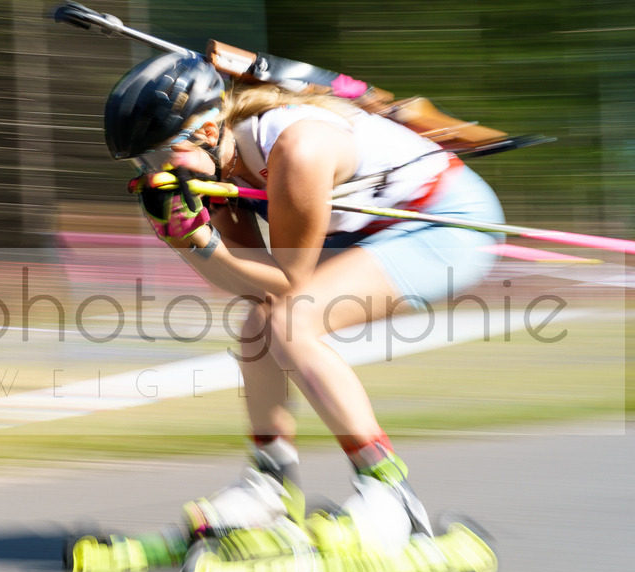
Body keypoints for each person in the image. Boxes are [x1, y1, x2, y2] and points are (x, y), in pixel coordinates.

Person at [103, 52, 505, 541]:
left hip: (443, 223)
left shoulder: (298, 148)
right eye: (140, 163)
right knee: (259, 324)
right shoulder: (210, 165)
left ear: (207, 133)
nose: (152, 172)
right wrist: (190, 242)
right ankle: (269, 487)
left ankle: (390, 495)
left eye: (156, 155)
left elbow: (288, 278)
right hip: (367, 228)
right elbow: (251, 281)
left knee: (293, 323)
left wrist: (197, 242)